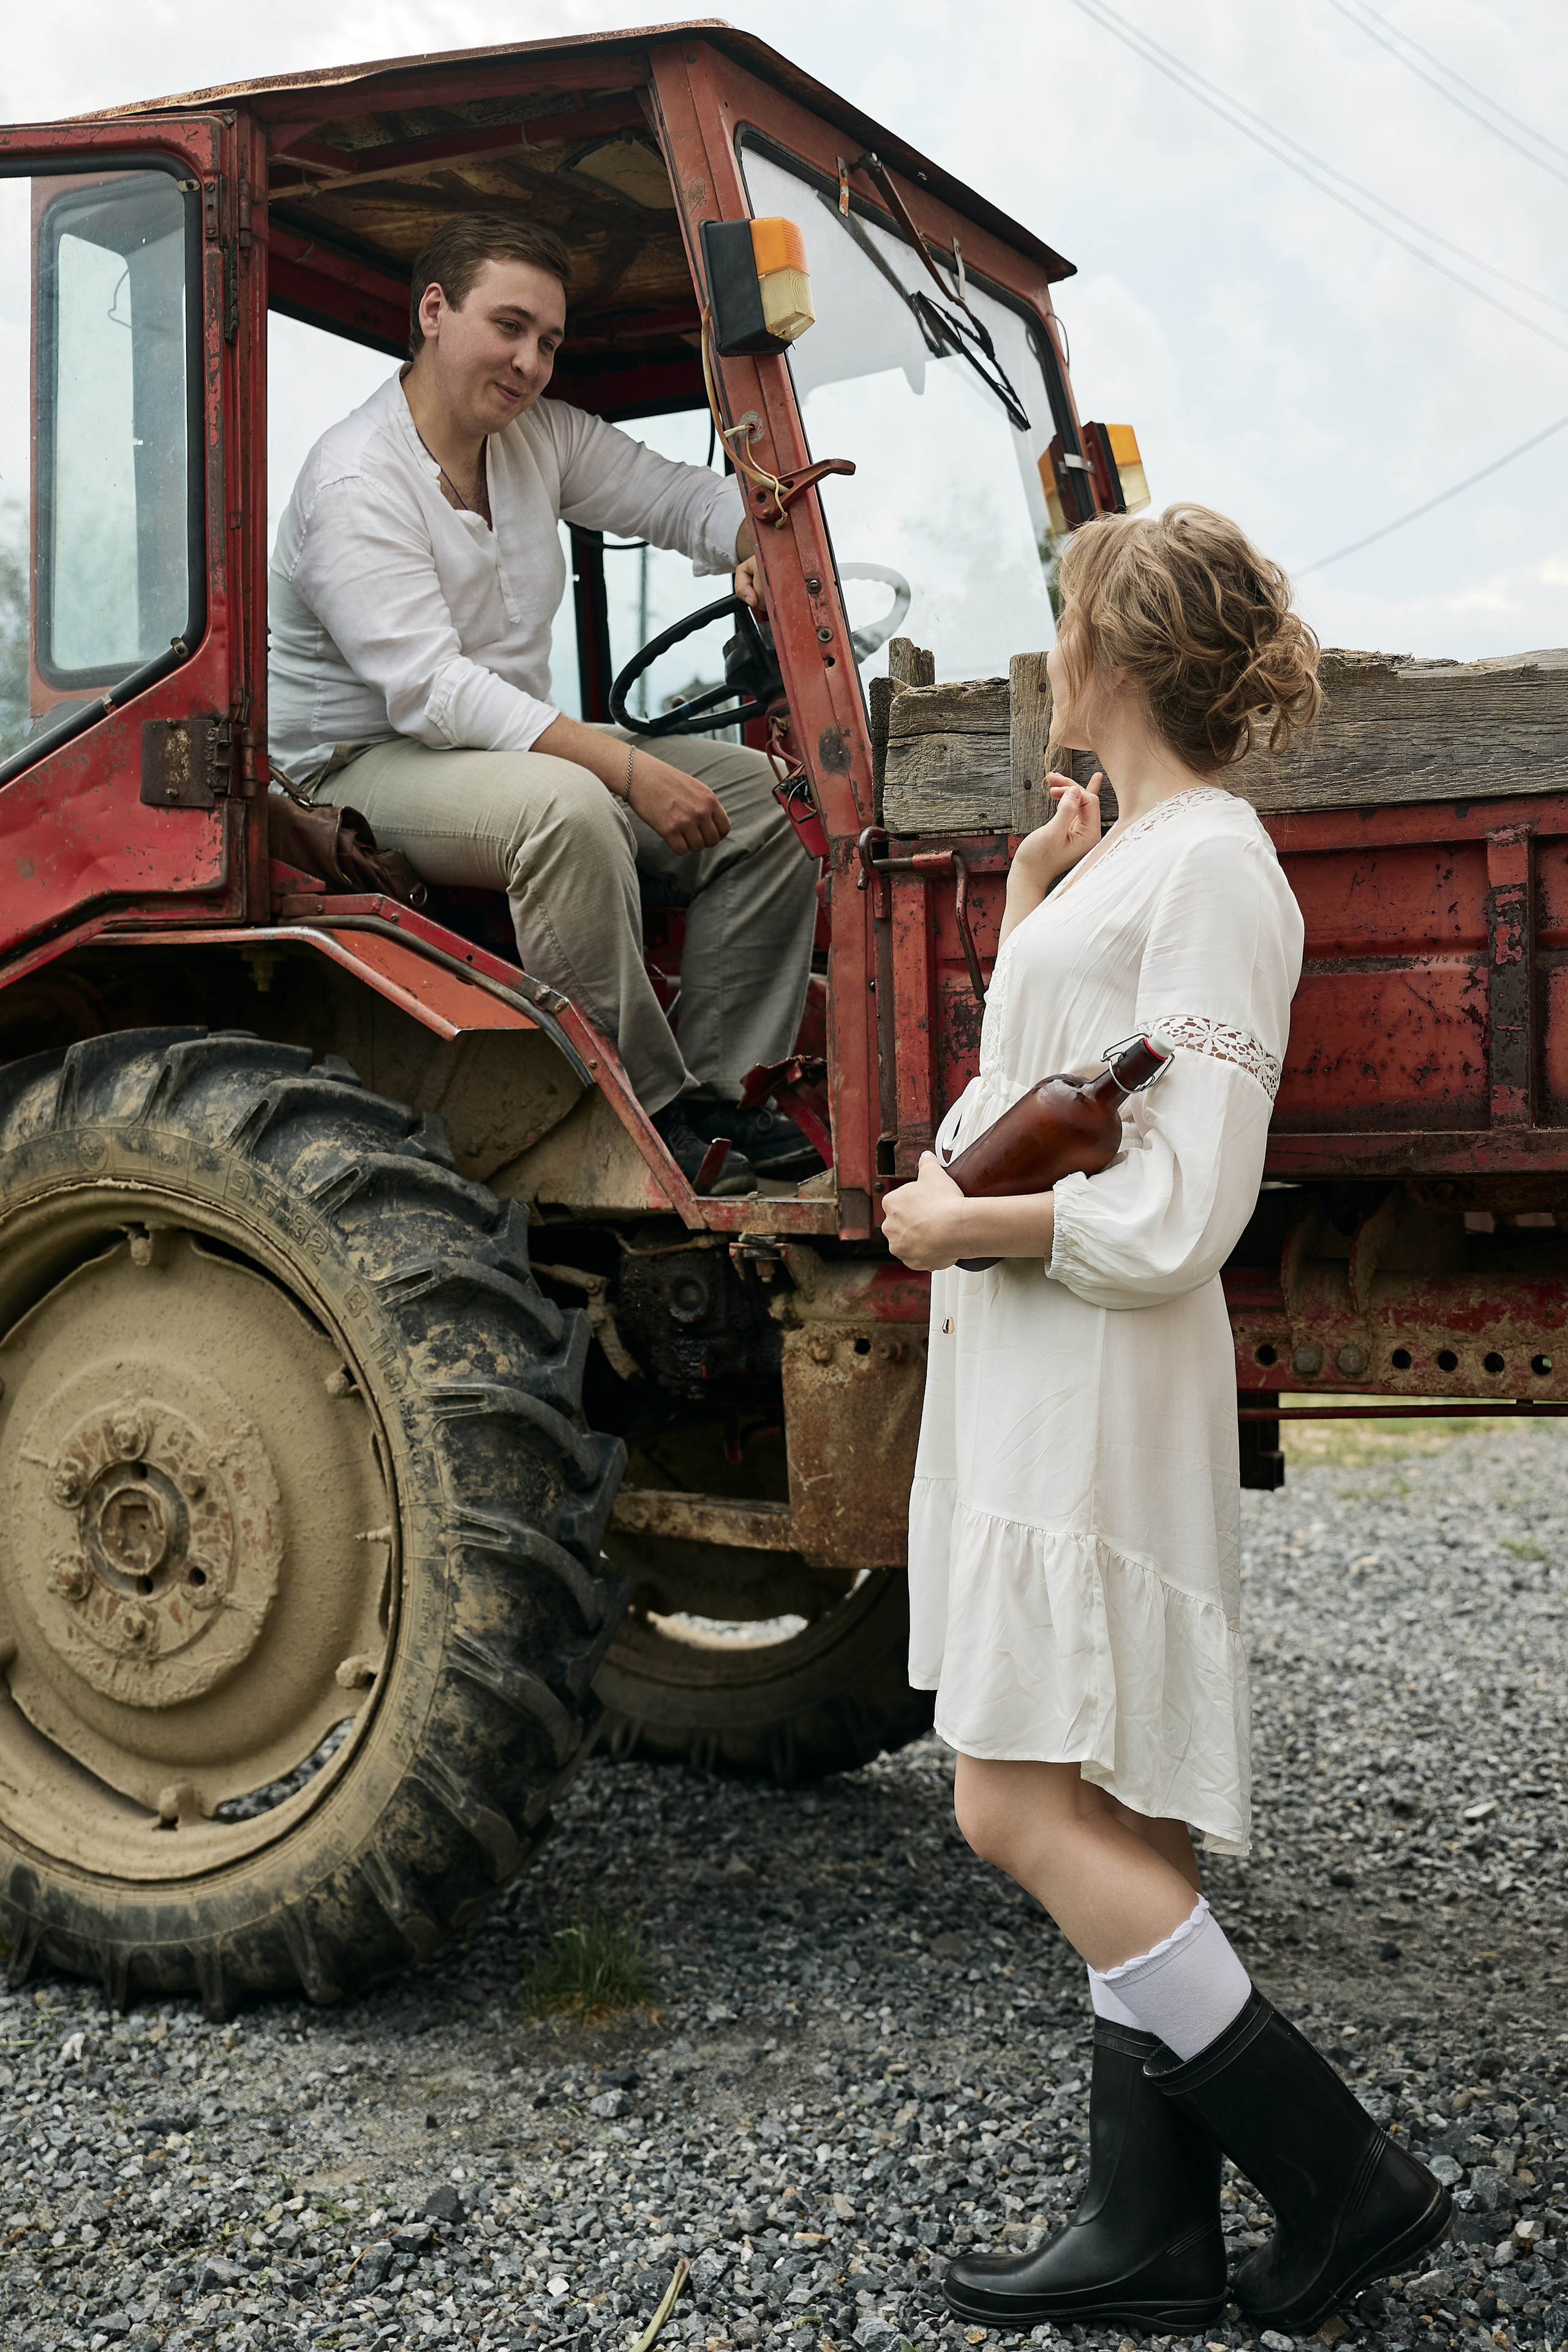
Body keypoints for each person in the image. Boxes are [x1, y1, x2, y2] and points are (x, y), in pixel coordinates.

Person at [881, 505, 1450, 2335]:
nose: (1053, 650)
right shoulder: (1133, 859)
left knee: (1006, 1797)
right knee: (1116, 1795)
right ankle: (1151, 2234)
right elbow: (1036, 1097)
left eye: (1065, 623)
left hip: (1102, 1357)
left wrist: (967, 1224)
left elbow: (1191, 1194)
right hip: (1050, 1351)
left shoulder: (1218, 870)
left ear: (1110, 654)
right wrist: (1037, 914)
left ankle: (1341, 2174)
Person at [267, 213, 822, 1195]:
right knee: (567, 814)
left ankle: (723, 1098)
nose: (530, 362)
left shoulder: (539, 438)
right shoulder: (356, 478)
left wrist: (752, 539)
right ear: (433, 313)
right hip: (359, 764)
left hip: (501, 743)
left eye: (551, 342)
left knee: (779, 803)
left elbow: (678, 499)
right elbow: (432, 691)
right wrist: (626, 768)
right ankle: (641, 1111)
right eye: (510, 326)